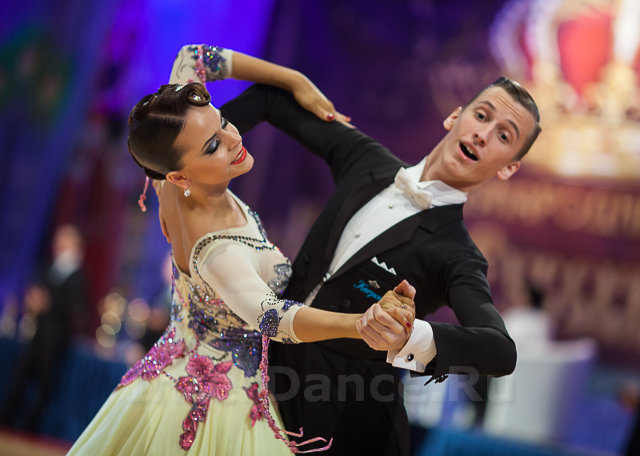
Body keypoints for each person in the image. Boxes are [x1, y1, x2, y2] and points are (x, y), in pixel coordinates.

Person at [66, 45, 415, 456]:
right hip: (215, 409)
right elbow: (274, 317)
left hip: (164, 379)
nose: (234, 139)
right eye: (213, 146)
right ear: (179, 177)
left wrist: (294, 79)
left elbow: (193, 57)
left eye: (224, 122)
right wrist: (363, 323)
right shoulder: (218, 252)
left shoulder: (169, 154)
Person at [211, 59, 541, 454]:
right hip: (259, 390)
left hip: (346, 429)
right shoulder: (366, 161)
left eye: (503, 135)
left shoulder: (456, 254)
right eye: (482, 116)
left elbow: (500, 351)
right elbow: (271, 100)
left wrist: (409, 336)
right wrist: (192, 163)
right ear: (455, 117)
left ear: (509, 168)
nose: (483, 135)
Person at [2, 224, 88, 431]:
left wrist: (49, 303)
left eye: (64, 239)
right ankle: (8, 414)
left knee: (44, 380)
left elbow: (76, 307)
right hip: (38, 330)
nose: (59, 242)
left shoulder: (78, 275)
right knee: (21, 374)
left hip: (55, 335)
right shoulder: (51, 267)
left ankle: (31, 423)